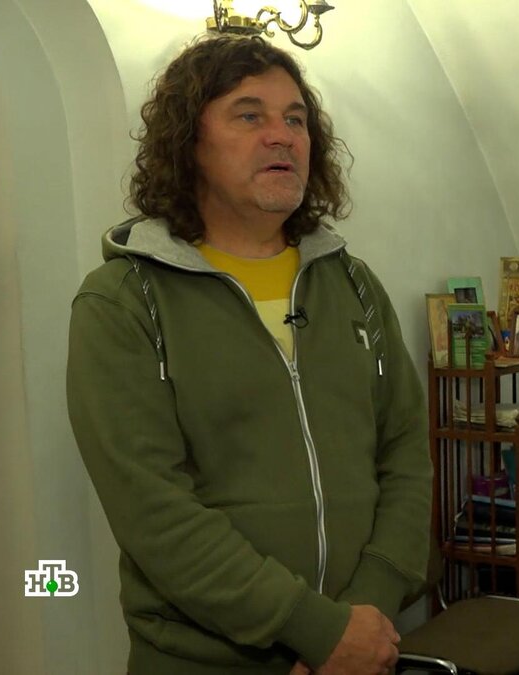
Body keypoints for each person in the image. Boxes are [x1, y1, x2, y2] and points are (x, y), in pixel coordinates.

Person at [66, 35, 431, 675]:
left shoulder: (353, 284)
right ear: (189, 142)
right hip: (205, 659)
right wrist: (314, 629)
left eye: (296, 119)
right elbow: (153, 509)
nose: (282, 135)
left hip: (364, 647)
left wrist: (365, 612)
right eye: (249, 114)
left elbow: (405, 452)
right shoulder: (124, 300)